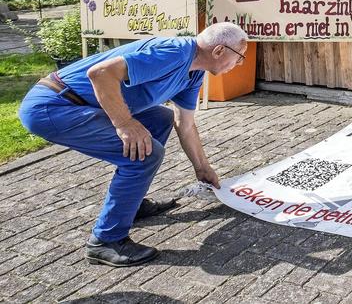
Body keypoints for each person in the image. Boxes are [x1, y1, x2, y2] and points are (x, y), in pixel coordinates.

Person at [17, 22, 249, 267]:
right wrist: (125, 123)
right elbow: (101, 73)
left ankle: (131, 204)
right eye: (239, 57)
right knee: (147, 156)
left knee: (161, 118)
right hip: (55, 105)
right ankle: (106, 241)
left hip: (83, 103)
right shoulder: (174, 53)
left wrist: (202, 167)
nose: (238, 65)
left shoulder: (194, 72)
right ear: (219, 51)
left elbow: (185, 123)